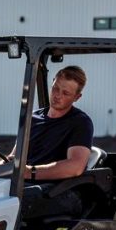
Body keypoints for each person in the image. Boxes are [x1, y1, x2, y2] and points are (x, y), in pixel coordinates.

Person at [9, 65, 94, 219]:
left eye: (65, 93)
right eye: (55, 88)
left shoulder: (80, 123)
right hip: (28, 184)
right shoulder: (33, 118)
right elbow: (15, 156)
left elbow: (75, 166)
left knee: (11, 202)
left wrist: (30, 172)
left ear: (77, 97)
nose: (57, 96)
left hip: (61, 191)